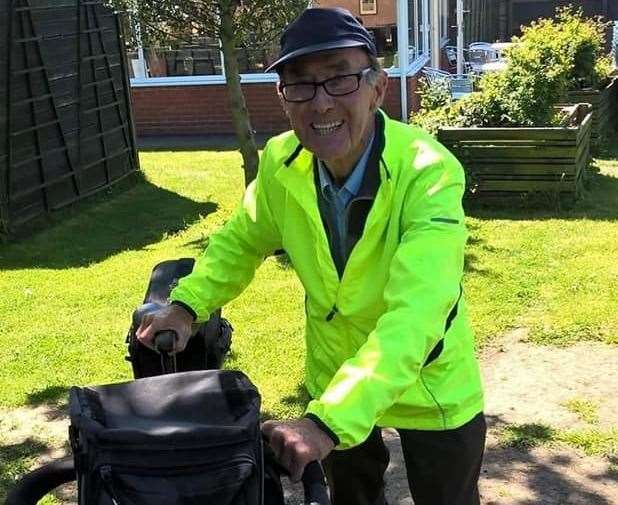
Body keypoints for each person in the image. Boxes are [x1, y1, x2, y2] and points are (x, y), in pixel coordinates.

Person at [137, 7, 485, 505]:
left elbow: (420, 310)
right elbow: (242, 239)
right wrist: (189, 304)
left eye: (339, 80)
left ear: (377, 88)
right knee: (350, 498)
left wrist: (328, 420)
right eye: (300, 85)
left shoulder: (428, 171)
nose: (320, 104)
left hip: (429, 379)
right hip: (335, 370)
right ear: (283, 98)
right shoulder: (282, 161)